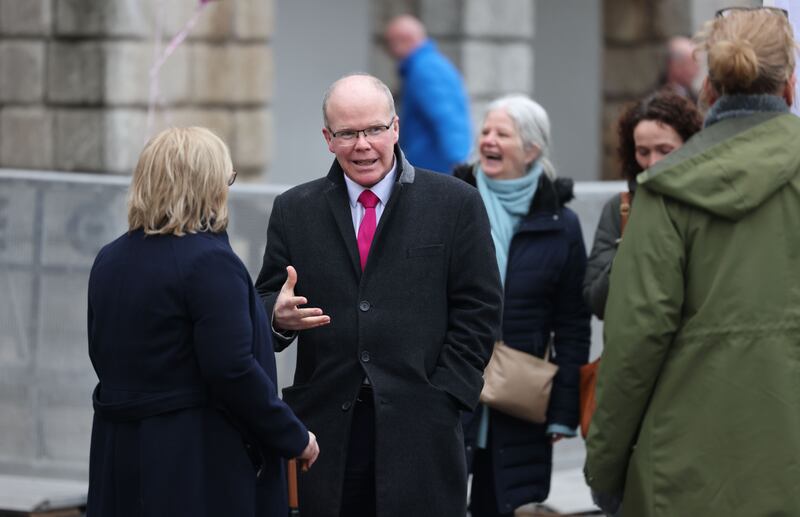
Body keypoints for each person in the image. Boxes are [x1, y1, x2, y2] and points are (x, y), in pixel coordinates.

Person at [255, 74, 503, 517]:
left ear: (395, 128)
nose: (362, 145)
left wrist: (446, 395)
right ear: (328, 139)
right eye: (347, 133)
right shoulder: (295, 209)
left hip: (422, 428)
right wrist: (276, 316)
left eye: (372, 129)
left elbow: (480, 309)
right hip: (326, 434)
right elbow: (264, 299)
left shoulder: (455, 203)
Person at [585, 7, 800, 516]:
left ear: (708, 89)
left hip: (684, 470)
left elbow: (634, 342)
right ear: (789, 84)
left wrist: (606, 465)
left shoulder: (665, 189)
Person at [86, 127, 319, 517]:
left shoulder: (110, 258)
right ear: (207, 184)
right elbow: (231, 370)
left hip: (119, 455)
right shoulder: (208, 262)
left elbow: (102, 354)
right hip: (192, 466)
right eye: (227, 179)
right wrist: (293, 436)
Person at [453, 95, 591, 516]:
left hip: (521, 392)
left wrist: (563, 411)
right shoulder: (452, 202)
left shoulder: (560, 223)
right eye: (486, 131)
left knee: (501, 503)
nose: (489, 141)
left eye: (502, 134)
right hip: (454, 380)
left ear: (532, 149)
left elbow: (572, 322)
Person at [583, 90, 702, 319]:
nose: (652, 162)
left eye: (665, 151)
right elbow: (597, 301)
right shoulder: (620, 208)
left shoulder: (706, 204)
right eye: (643, 152)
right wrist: (630, 247)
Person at [384, 14, 472, 174]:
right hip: (431, 168)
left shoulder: (425, 69)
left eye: (389, 43)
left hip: (435, 170)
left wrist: (459, 167)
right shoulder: (426, 66)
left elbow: (448, 118)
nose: (389, 51)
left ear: (404, 39)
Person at [659, 36, 701, 103]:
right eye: (691, 64)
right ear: (675, 65)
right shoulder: (654, 99)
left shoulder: (697, 98)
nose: (696, 70)